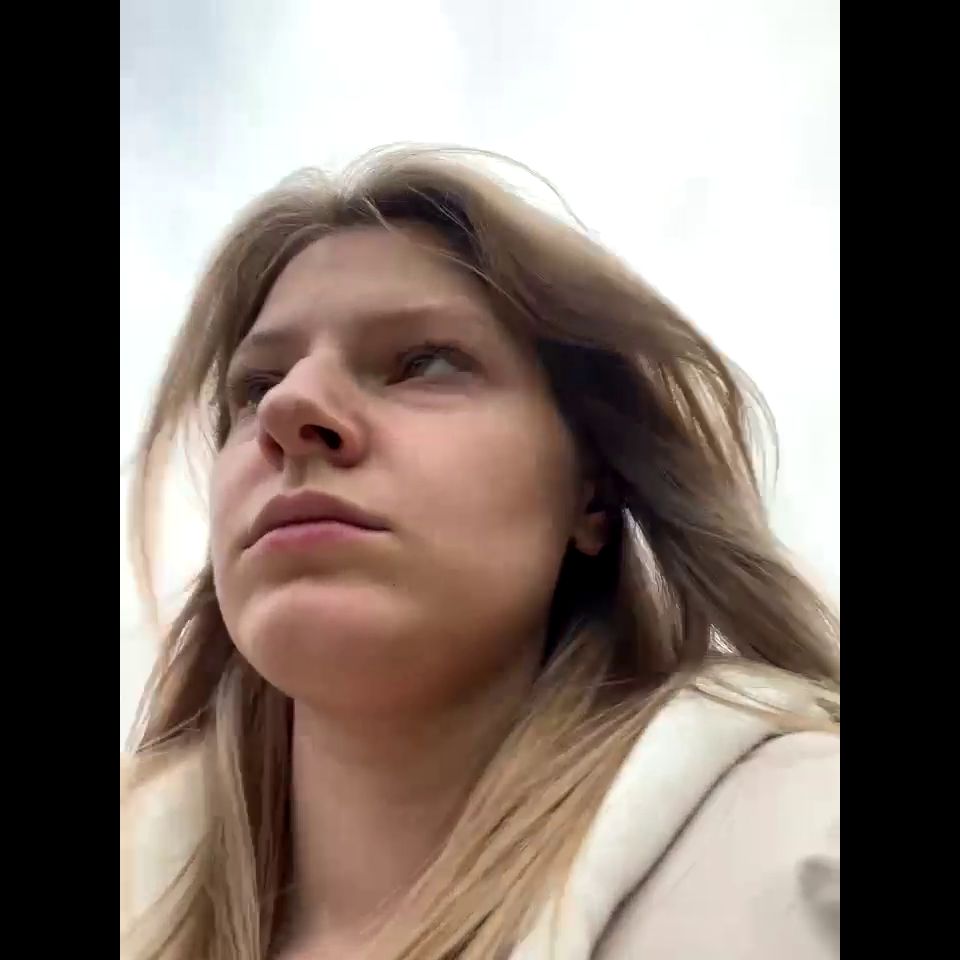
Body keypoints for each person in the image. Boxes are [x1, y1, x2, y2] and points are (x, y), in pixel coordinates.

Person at [120, 146, 840, 960]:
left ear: (591, 495)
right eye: (255, 388)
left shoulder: (807, 866)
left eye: (423, 362)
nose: (290, 409)